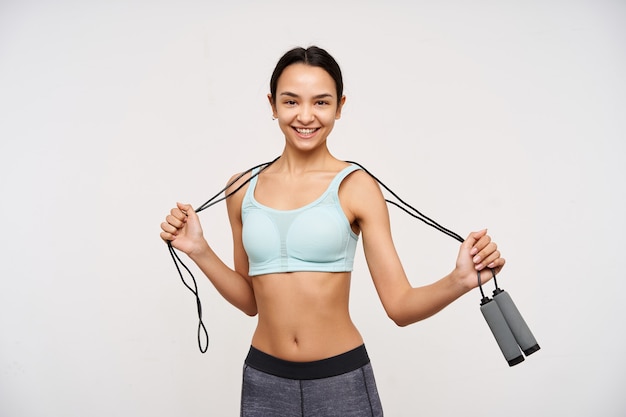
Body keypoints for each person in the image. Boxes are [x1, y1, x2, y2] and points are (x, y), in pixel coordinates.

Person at [160, 45, 505, 417]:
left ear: (340, 107)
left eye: (321, 103)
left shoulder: (356, 187)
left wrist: (461, 279)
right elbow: (250, 301)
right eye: (291, 102)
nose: (305, 116)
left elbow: (400, 306)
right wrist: (199, 250)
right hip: (264, 379)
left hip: (341, 382)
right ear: (272, 104)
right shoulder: (240, 188)